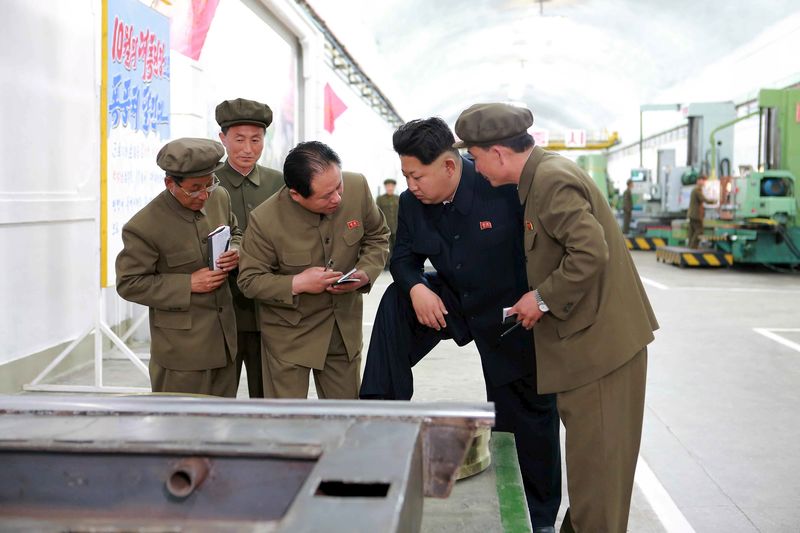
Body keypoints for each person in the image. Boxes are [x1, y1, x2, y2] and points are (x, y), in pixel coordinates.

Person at [455, 103, 658, 533]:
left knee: (599, 490)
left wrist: (541, 299)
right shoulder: (538, 180)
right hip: (590, 351)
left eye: (473, 156)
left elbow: (590, 251)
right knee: (591, 483)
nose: (474, 167)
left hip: (602, 355)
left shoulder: (550, 181)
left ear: (498, 153)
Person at [359, 117, 561, 531]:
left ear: (449, 167)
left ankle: (538, 518)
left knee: (523, 420)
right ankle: (382, 426)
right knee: (396, 301)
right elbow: (403, 258)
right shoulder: (415, 202)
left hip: (509, 316)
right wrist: (417, 286)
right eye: (405, 176)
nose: (411, 185)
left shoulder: (501, 187)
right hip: (452, 300)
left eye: (417, 176)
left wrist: (539, 302)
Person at [237, 141, 390, 399]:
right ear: (296, 194)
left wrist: (365, 272)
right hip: (289, 337)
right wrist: (297, 283)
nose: (338, 198)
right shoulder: (265, 220)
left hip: (342, 331)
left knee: (345, 419)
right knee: (288, 422)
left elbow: (378, 235)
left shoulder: (357, 187)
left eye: (338, 186)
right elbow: (249, 280)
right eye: (326, 196)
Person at [116, 138, 242, 397]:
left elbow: (236, 231)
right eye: (195, 189)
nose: (204, 195)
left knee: (224, 424)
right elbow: (129, 283)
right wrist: (187, 284)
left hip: (225, 341)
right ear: (170, 184)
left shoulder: (219, 197)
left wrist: (236, 251)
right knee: (180, 429)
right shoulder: (144, 226)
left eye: (210, 184)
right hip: (182, 354)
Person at [215, 98, 284, 398]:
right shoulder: (208, 183)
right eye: (239, 139)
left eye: (255, 140)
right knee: (219, 393)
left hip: (269, 309)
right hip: (222, 307)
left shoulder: (279, 183)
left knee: (268, 394)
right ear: (223, 139)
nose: (247, 149)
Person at [376, 178, 399, 268]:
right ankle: (387, 265)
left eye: (391, 186)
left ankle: (397, 264)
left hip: (397, 226)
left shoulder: (398, 198)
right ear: (385, 187)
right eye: (388, 186)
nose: (390, 188)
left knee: (397, 246)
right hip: (386, 226)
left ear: (394, 187)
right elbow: (377, 213)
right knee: (387, 247)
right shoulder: (380, 199)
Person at [687, 174, 714, 249]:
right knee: (699, 231)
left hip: (692, 214)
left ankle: (690, 247)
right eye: (703, 181)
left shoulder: (694, 189)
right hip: (696, 215)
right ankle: (693, 247)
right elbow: (703, 199)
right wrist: (715, 201)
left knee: (692, 232)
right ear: (699, 181)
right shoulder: (697, 190)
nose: (704, 183)